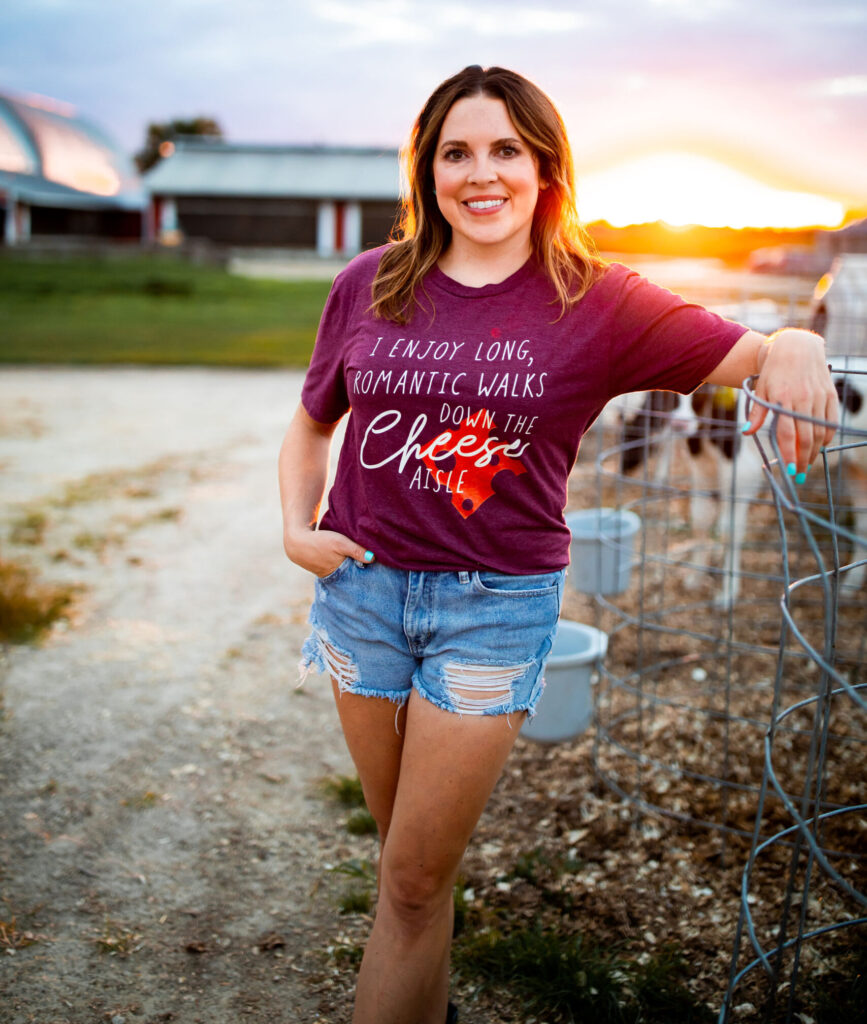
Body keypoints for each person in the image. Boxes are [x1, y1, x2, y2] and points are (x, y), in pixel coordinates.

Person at [278, 65, 838, 1024]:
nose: (480, 172)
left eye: (506, 149)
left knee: (412, 880)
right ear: (428, 170)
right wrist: (297, 532)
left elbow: (753, 352)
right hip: (362, 598)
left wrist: (799, 343)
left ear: (545, 168)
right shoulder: (368, 284)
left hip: (490, 613)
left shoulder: (599, 299)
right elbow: (309, 423)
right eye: (456, 151)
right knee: (405, 865)